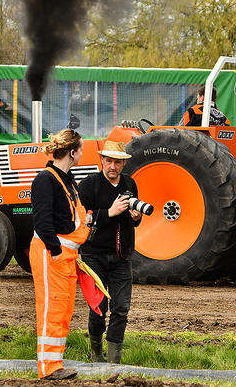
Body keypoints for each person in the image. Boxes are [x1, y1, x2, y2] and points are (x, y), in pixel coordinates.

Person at [29, 128, 89, 380]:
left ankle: (56, 364)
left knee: (63, 309)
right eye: (81, 150)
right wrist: (54, 251)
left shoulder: (66, 178)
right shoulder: (45, 179)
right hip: (50, 253)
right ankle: (48, 368)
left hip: (65, 255)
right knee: (51, 308)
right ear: (72, 153)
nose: (83, 153)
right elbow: (42, 221)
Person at [78, 141, 142, 364]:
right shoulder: (89, 185)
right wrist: (109, 213)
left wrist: (136, 217)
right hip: (93, 256)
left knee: (121, 309)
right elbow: (80, 219)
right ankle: (96, 355)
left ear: (124, 163)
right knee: (98, 309)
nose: (112, 166)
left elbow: (133, 221)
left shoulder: (130, 183)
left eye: (117, 162)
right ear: (102, 161)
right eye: (109, 161)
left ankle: (115, 361)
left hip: (122, 257)